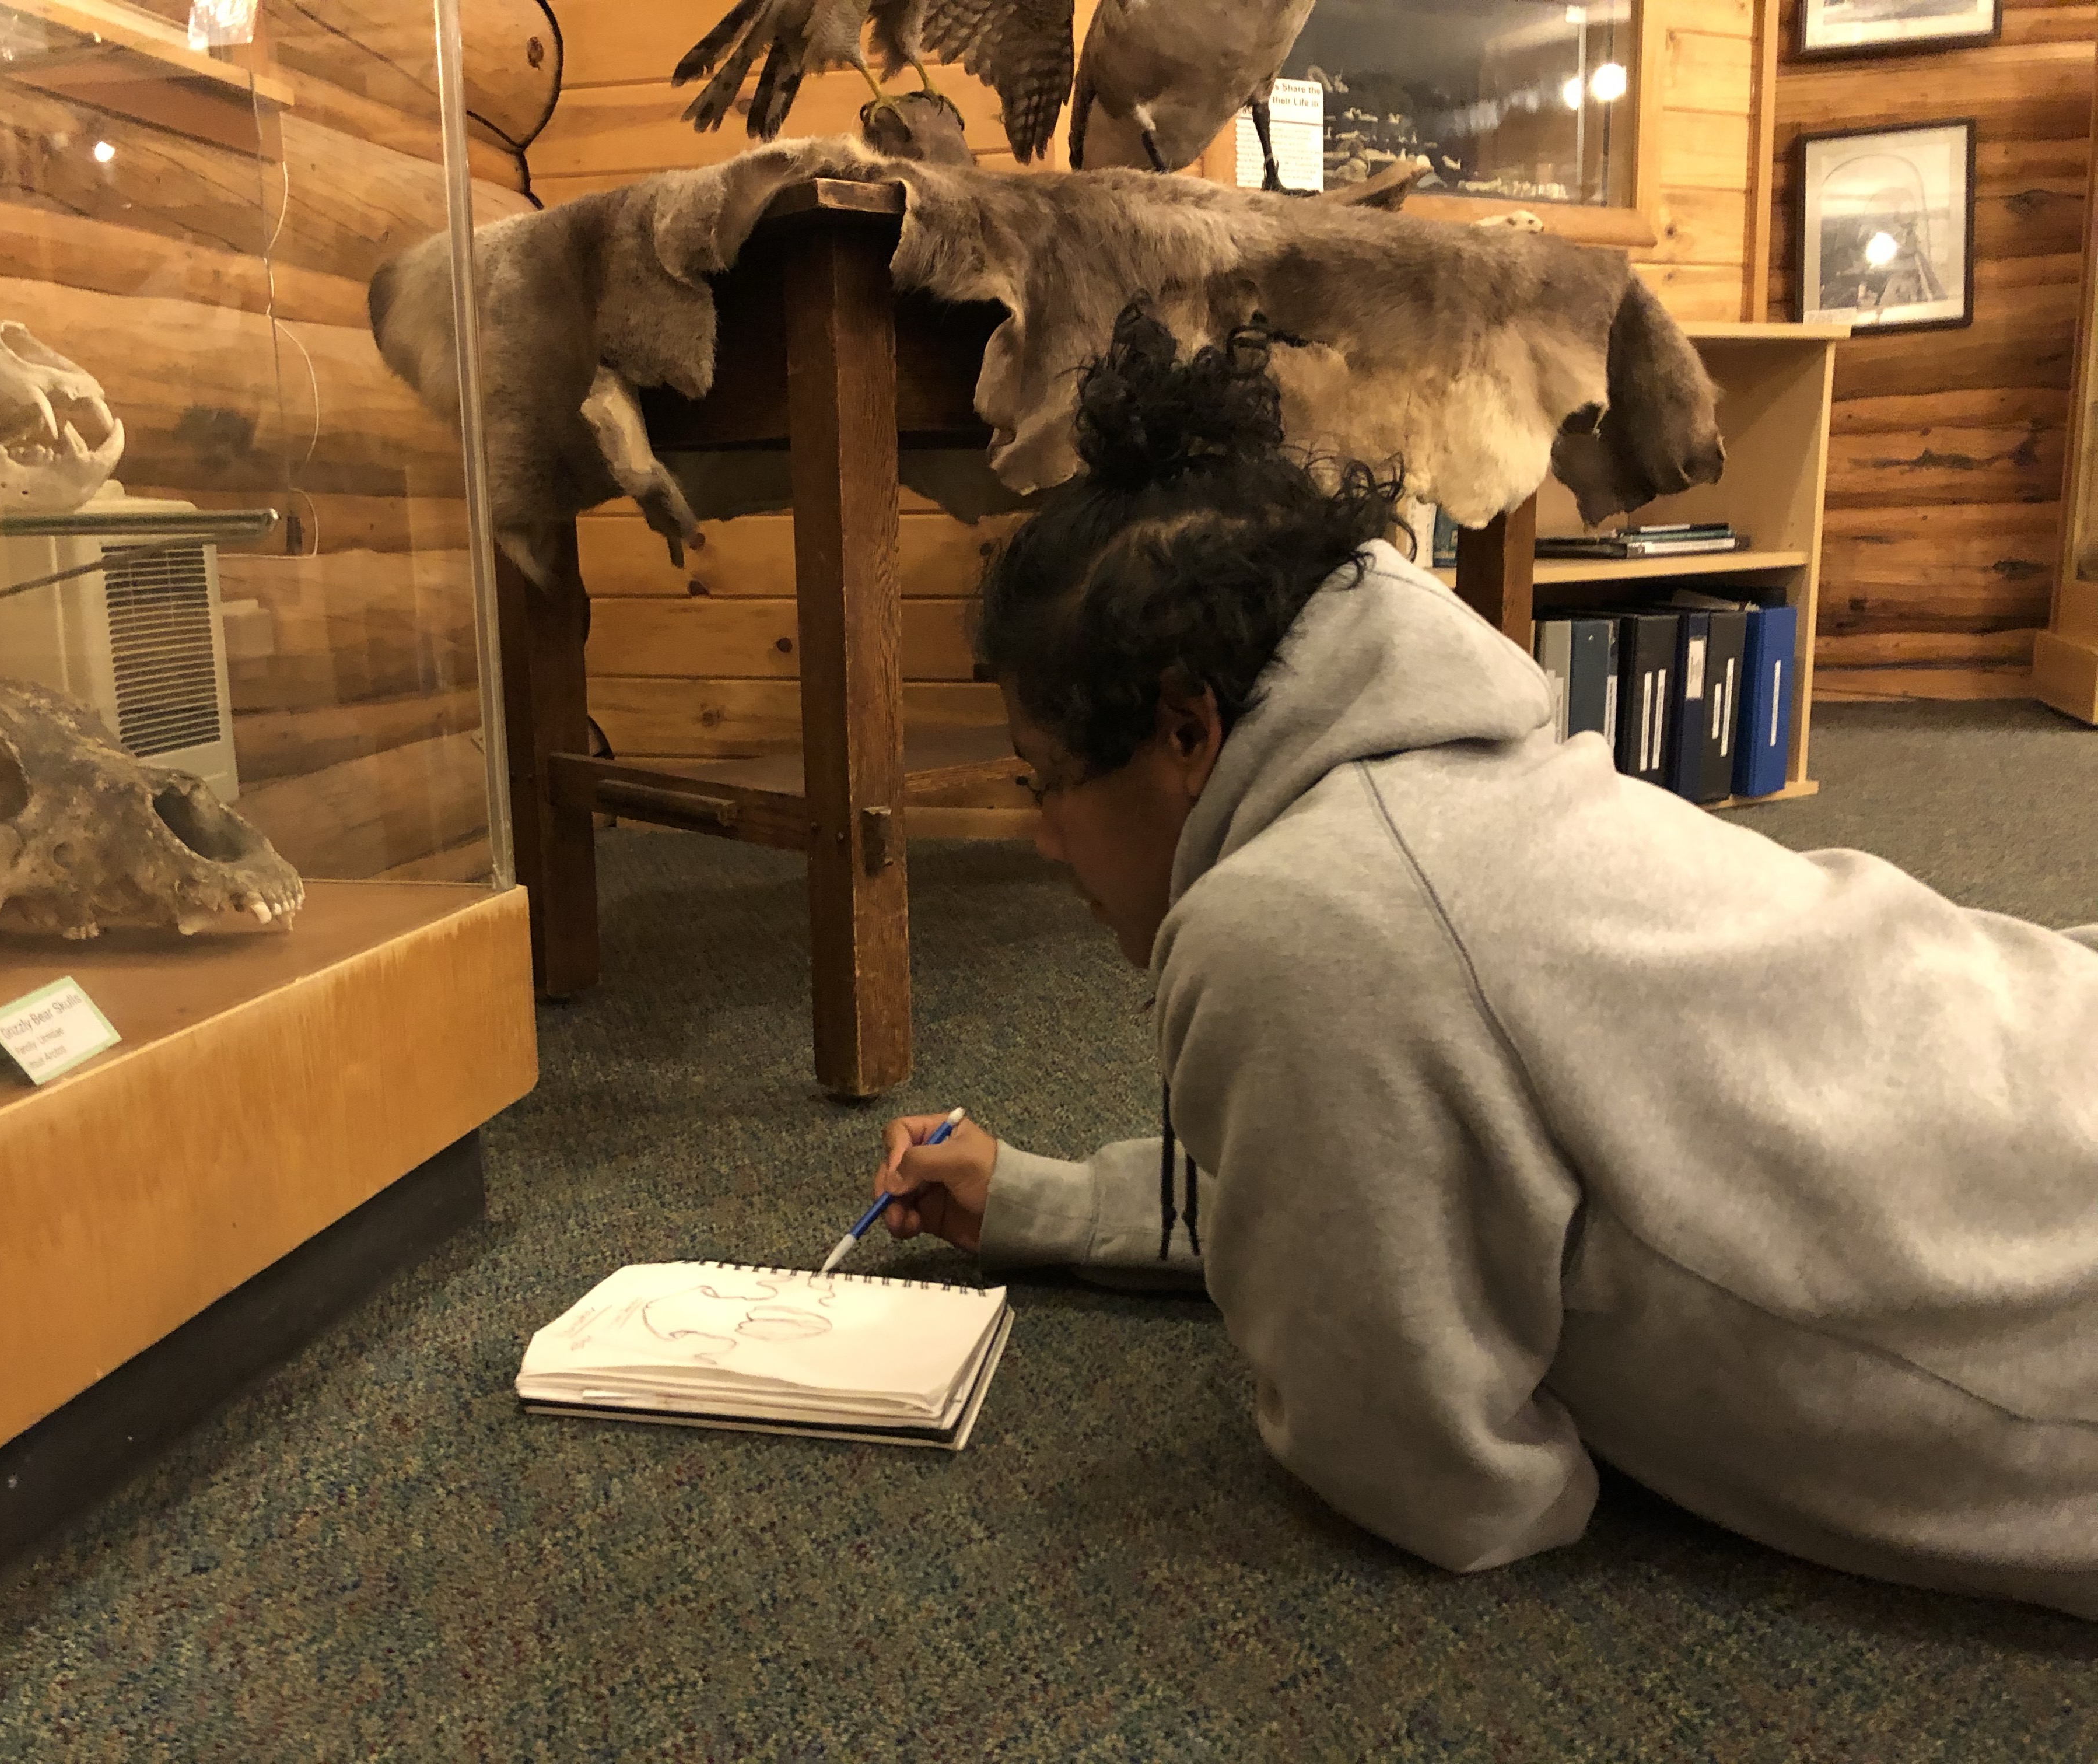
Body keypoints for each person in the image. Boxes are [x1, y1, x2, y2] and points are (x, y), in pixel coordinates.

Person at [870, 300, 2098, 1619]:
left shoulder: (1295, 926)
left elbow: (1458, 1484)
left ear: (1186, 728)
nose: (1040, 836)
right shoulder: (1441, 781)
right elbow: (1393, 1184)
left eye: (1044, 780)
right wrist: (1048, 1204)